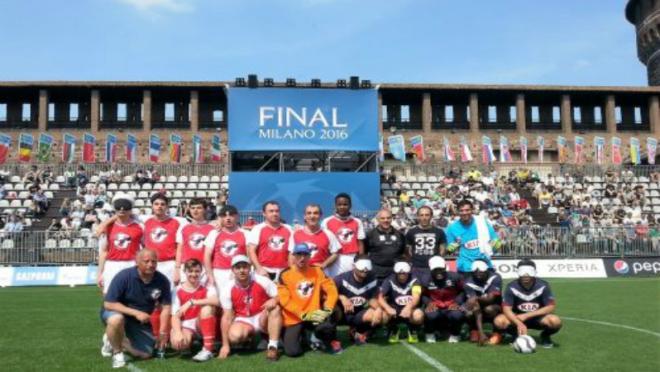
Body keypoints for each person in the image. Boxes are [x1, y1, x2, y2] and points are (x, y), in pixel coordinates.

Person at [100, 249, 171, 369]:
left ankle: (112, 338)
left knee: (146, 354)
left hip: (139, 321)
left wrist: (163, 332)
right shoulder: (124, 276)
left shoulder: (162, 280)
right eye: (146, 261)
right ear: (137, 262)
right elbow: (108, 304)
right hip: (117, 312)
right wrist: (136, 312)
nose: (150, 264)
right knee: (116, 319)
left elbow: (166, 307)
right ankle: (117, 353)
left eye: (154, 261)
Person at [278, 243, 342, 357]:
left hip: (314, 314)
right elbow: (285, 301)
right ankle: (301, 335)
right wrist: (303, 314)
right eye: (298, 255)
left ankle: (328, 339)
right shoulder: (285, 274)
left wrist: (328, 309)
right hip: (295, 317)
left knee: (332, 316)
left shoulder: (318, 271)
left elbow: (332, 290)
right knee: (293, 352)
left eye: (305, 255)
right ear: (293, 256)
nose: (302, 258)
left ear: (309, 257)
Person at [218, 255, 282, 361]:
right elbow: (227, 317)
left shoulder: (262, 280)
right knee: (234, 336)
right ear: (233, 270)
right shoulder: (227, 288)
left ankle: (272, 347)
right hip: (243, 319)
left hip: (262, 315)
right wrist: (225, 345)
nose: (241, 270)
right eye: (238, 268)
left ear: (250, 267)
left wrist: (274, 300)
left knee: (276, 309)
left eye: (244, 267)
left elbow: (280, 295)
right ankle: (252, 339)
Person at [494, 259, 562, 348]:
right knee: (499, 321)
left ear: (534, 271)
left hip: (538, 318)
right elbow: (506, 309)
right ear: (518, 271)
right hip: (517, 318)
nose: (526, 275)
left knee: (555, 321)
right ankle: (515, 335)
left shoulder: (543, 285)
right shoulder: (511, 286)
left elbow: (550, 307)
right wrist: (518, 323)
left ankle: (545, 336)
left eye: (529, 272)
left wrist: (526, 315)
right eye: (522, 272)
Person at [170, 259, 218, 362]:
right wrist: (178, 332)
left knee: (207, 308)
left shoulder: (207, 286)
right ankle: (192, 342)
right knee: (178, 344)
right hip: (186, 325)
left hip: (200, 322)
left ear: (201, 272)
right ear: (185, 272)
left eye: (197, 271)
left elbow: (216, 301)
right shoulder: (177, 290)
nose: (194, 274)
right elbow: (175, 315)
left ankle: (208, 349)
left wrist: (192, 302)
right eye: (190, 271)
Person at [96, 193, 144, 294]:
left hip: (132, 265)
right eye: (118, 206)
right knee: (109, 297)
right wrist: (99, 273)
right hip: (112, 265)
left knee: (133, 296)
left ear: (130, 209)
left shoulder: (140, 226)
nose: (122, 209)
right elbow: (104, 252)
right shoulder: (108, 227)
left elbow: (146, 248)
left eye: (125, 206)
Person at [333, 255, 386, 345]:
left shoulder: (372, 279)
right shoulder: (340, 279)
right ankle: (331, 336)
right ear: (354, 266)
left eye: (367, 266)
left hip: (359, 314)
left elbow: (374, 299)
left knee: (384, 316)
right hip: (342, 314)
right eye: (362, 266)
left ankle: (360, 331)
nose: (365, 269)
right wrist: (341, 297)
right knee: (331, 309)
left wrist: (379, 309)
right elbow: (326, 294)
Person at [444, 199, 502, 277]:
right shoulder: (452, 228)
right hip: (465, 267)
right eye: (461, 210)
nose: (464, 213)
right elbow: (448, 249)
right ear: (458, 212)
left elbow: (494, 239)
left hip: (485, 264)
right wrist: (451, 248)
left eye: (467, 210)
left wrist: (496, 244)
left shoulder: (482, 222)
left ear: (472, 210)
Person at [419, 256, 465, 344]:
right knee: (431, 314)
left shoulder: (455, 277)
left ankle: (455, 334)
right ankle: (429, 333)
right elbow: (423, 294)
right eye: (435, 270)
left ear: (445, 267)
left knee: (457, 314)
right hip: (435, 304)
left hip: (451, 304)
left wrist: (457, 302)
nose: (439, 272)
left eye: (441, 269)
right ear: (430, 269)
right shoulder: (425, 278)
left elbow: (463, 291)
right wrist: (428, 303)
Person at [378, 259, 424, 344]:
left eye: (404, 273)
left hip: (410, 309)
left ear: (408, 272)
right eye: (399, 273)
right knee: (382, 316)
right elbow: (380, 297)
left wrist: (408, 307)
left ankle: (412, 330)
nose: (402, 275)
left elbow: (416, 297)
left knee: (419, 315)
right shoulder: (389, 280)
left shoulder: (415, 280)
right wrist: (388, 308)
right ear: (395, 272)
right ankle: (394, 329)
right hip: (394, 310)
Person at [247, 200, 294, 280]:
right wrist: (259, 268)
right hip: (264, 272)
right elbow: (251, 250)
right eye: (271, 211)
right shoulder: (257, 229)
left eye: (277, 211)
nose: (274, 214)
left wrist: (291, 270)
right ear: (264, 213)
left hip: (284, 272)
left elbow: (291, 252)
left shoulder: (288, 229)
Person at [204, 205, 248, 290]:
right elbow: (207, 256)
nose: (228, 218)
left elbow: (250, 255)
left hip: (239, 272)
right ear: (220, 218)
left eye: (231, 215)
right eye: (224, 215)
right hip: (218, 273)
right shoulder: (214, 234)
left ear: (237, 216)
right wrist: (210, 275)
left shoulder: (246, 234)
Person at [321, 193, 366, 277]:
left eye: (345, 204)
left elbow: (360, 243)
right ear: (335, 206)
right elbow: (323, 243)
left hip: (352, 258)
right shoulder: (326, 222)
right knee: (334, 285)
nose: (342, 207)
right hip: (334, 259)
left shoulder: (357, 221)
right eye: (339, 204)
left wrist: (361, 260)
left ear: (350, 205)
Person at [173, 198, 214, 286]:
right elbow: (179, 250)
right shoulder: (183, 228)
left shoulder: (212, 229)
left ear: (205, 209)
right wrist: (177, 269)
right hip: (187, 267)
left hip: (205, 268)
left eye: (199, 208)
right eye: (193, 208)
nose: (195, 210)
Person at [463, 260, 503, 345]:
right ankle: (475, 331)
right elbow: (474, 304)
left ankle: (497, 332)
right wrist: (482, 333)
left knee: (489, 309)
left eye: (481, 272)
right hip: (478, 306)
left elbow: (490, 299)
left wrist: (476, 298)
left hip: (495, 305)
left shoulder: (495, 278)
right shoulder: (468, 283)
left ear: (487, 270)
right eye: (475, 272)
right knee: (468, 312)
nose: (478, 275)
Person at [293, 204, 341, 274]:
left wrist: (323, 265)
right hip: (300, 274)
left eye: (315, 213)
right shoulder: (296, 233)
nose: (312, 216)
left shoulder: (328, 234)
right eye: (309, 213)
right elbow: (291, 255)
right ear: (304, 216)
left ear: (320, 216)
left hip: (321, 274)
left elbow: (335, 253)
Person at [364, 209, 406, 281]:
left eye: (388, 218)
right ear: (378, 219)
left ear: (392, 218)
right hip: (376, 274)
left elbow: (403, 253)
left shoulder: (400, 235)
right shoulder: (370, 234)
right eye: (382, 218)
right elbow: (364, 253)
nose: (386, 220)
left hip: (395, 273)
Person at [405, 206, 447, 276]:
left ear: (431, 216)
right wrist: (414, 261)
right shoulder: (411, 232)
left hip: (434, 268)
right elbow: (408, 251)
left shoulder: (439, 232)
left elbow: (442, 249)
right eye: (421, 215)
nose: (424, 218)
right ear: (418, 216)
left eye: (427, 215)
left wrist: (436, 261)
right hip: (416, 268)